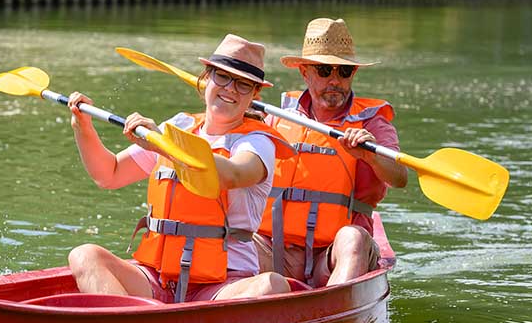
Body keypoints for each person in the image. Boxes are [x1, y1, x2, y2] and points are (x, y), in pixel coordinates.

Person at [67, 35, 295, 303]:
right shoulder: (178, 126)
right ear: (206, 78)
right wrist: (83, 127)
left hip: (222, 285)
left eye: (243, 84)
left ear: (255, 94)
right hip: (159, 277)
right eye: (222, 77)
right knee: (84, 255)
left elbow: (231, 174)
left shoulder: (257, 143)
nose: (231, 89)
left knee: (273, 285)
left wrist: (163, 146)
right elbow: (109, 174)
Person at [254, 18, 408, 287]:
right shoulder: (273, 118)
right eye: (325, 70)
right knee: (233, 237)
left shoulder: (372, 122)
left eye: (344, 72)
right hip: (274, 250)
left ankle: (333, 306)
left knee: (354, 238)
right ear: (305, 72)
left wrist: (371, 155)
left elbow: (399, 177)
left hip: (334, 256)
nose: (335, 81)